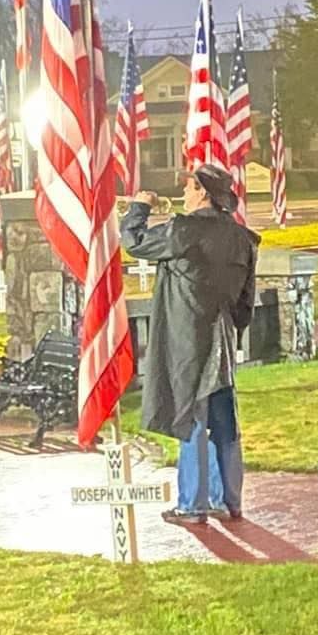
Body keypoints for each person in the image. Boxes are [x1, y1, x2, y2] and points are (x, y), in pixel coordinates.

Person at [120, 164, 260, 526]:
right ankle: (227, 500)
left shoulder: (185, 230)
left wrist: (140, 206)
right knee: (223, 420)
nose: (183, 193)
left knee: (192, 416)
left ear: (202, 193)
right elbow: (247, 300)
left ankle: (193, 505)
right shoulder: (242, 238)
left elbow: (134, 243)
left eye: (189, 187)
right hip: (224, 335)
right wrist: (233, 330)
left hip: (189, 339)